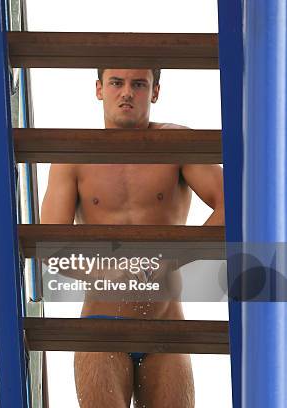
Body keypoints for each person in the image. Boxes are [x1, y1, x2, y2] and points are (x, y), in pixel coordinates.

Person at [40, 68, 225, 408]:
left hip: (166, 326)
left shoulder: (177, 144)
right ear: (99, 89)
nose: (126, 92)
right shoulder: (72, 157)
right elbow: (51, 248)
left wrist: (173, 258)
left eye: (138, 84)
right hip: (101, 325)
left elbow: (234, 206)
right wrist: (104, 272)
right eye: (116, 83)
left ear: (154, 92)